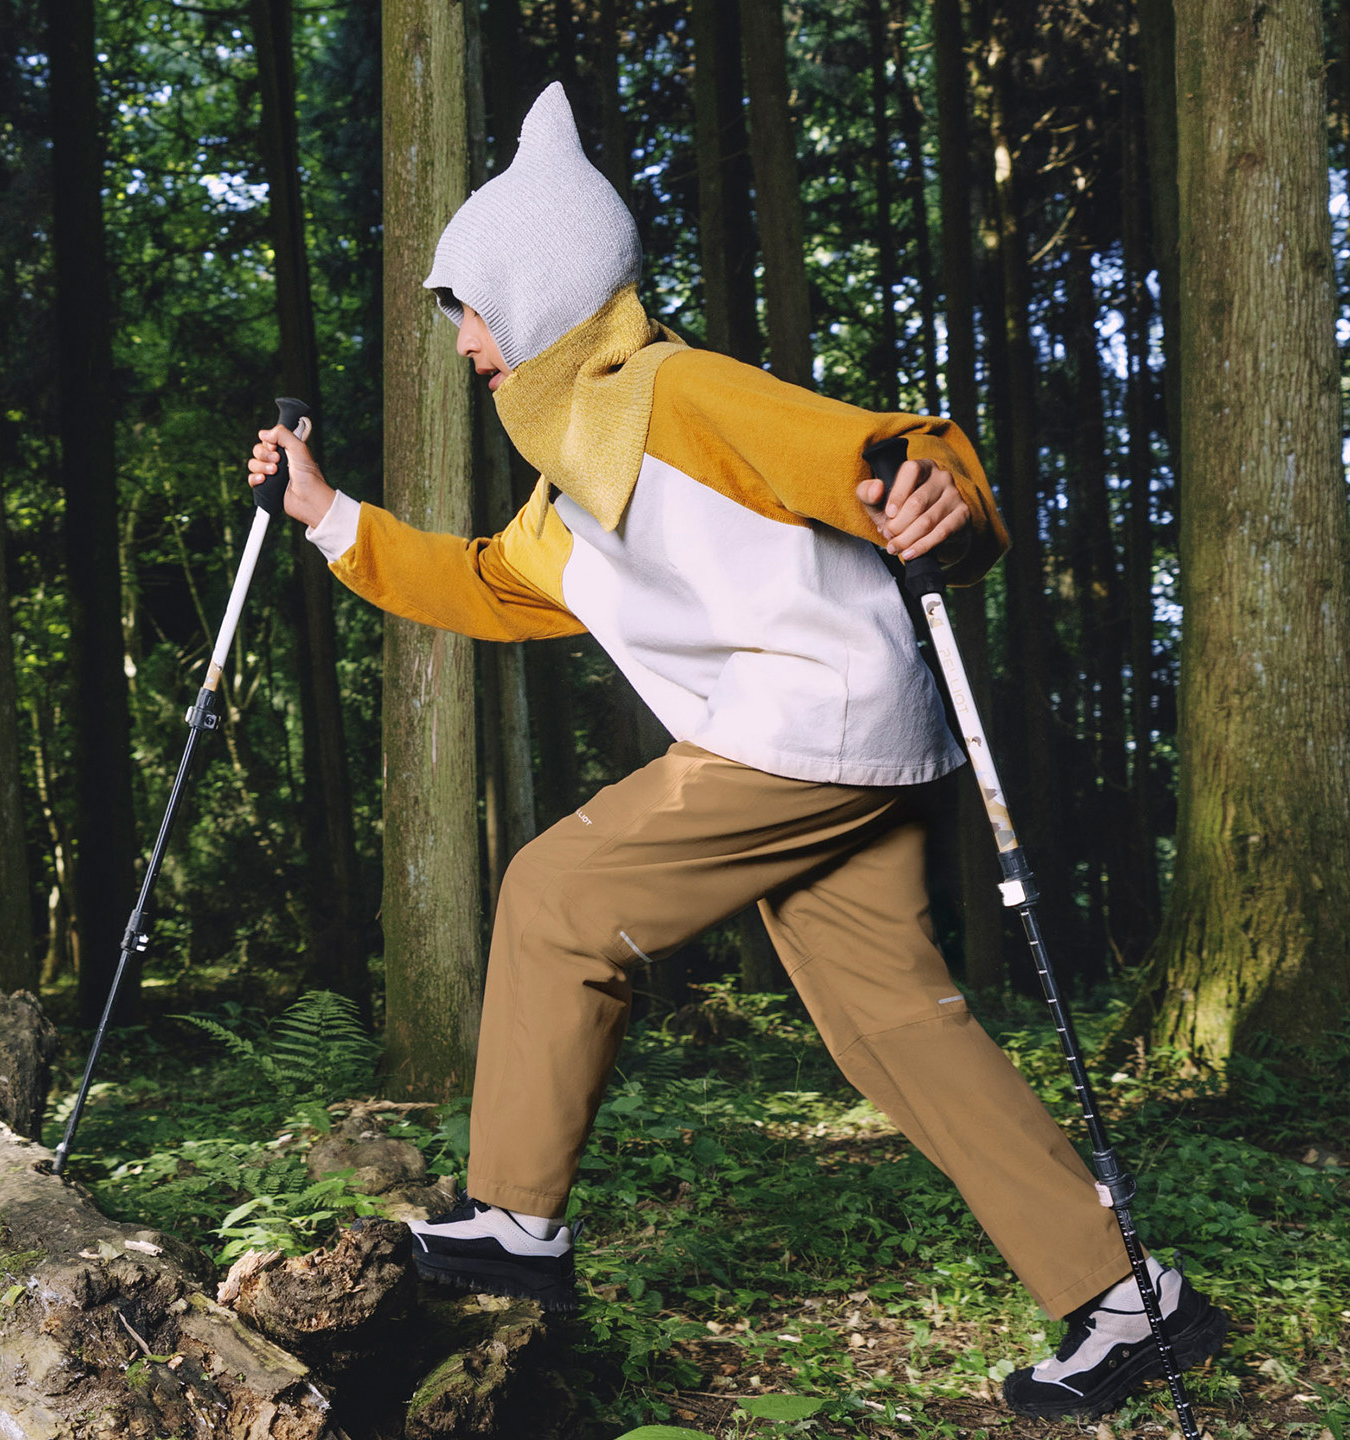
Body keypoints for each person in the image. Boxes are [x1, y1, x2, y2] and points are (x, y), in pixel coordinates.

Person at [247, 80, 1225, 1421]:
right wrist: (324, 513)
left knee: (556, 893)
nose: (464, 339)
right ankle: (1129, 1299)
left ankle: (516, 1221)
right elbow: (481, 583)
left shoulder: (681, 392)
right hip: (844, 747)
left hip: (808, 726)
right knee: (901, 1030)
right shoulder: (568, 492)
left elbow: (887, 453)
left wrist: (940, 499)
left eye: (472, 306)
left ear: (539, 291)